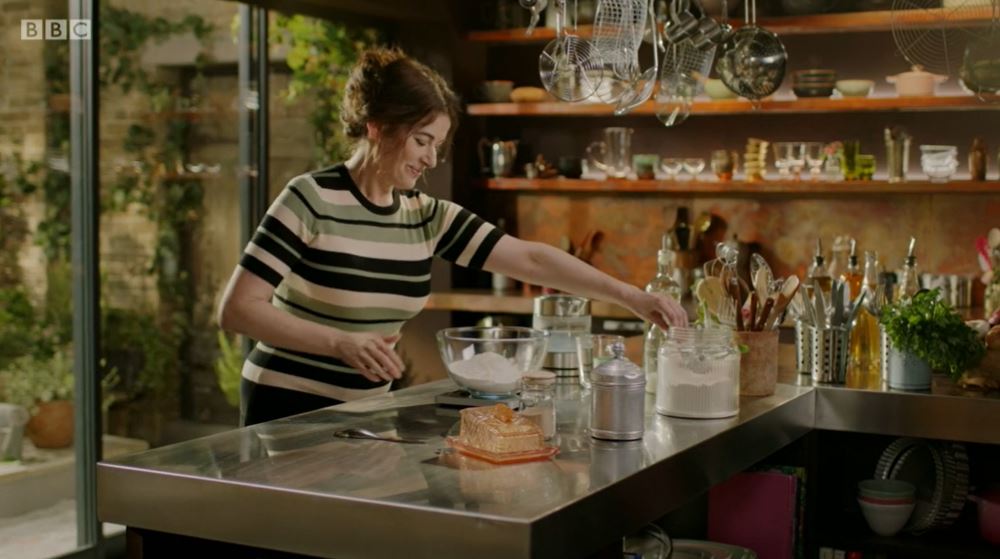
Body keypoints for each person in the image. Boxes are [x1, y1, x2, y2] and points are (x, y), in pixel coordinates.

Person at [218, 47, 687, 426]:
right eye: (422, 140)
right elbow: (238, 310)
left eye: (437, 146)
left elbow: (533, 261)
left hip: (359, 413)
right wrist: (339, 343)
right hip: (282, 408)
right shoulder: (310, 198)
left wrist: (630, 296)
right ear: (379, 128)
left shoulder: (424, 216)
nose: (430, 159)